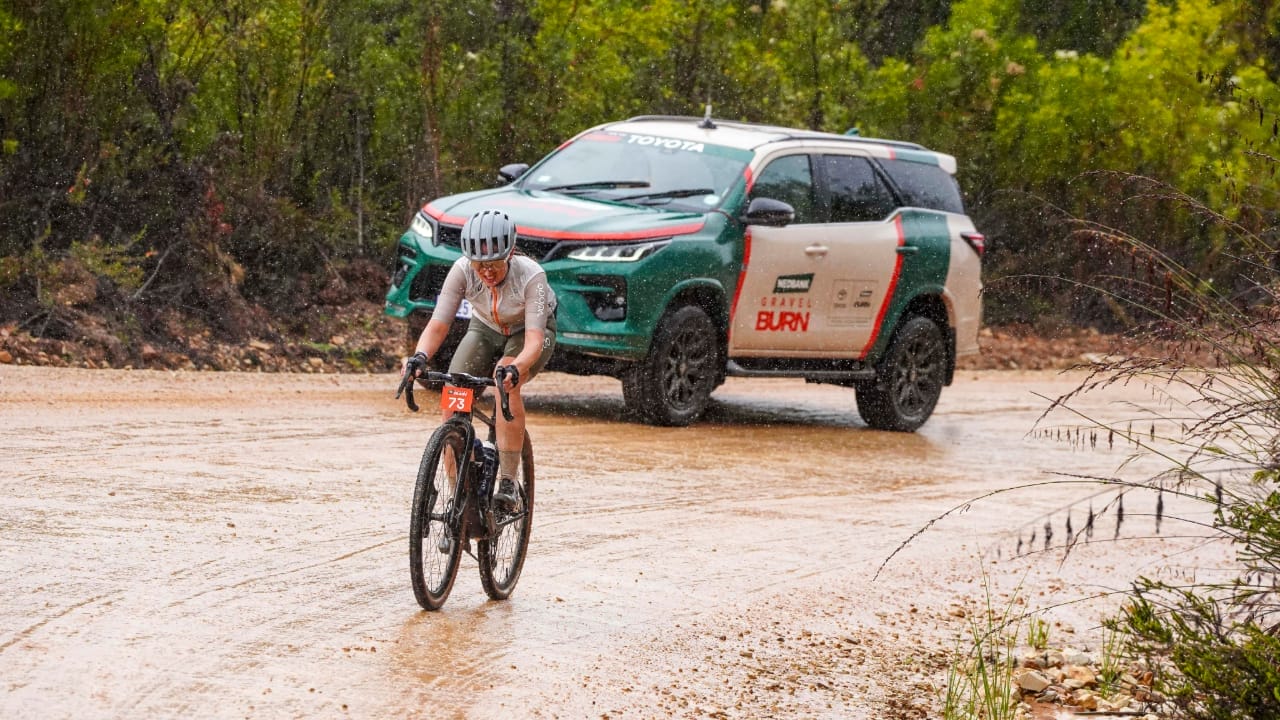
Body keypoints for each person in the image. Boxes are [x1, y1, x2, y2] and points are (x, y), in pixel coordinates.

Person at [402, 209, 556, 512]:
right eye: (479, 265)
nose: (486, 272)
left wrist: (515, 367)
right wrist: (419, 357)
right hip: (484, 328)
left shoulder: (531, 276)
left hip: (528, 331)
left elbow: (535, 341)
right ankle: (458, 494)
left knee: (504, 382)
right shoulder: (461, 270)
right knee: (453, 396)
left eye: (494, 265)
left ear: (509, 254)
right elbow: (438, 324)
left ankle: (509, 483)